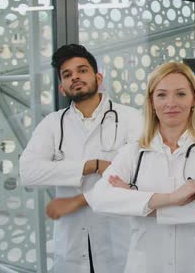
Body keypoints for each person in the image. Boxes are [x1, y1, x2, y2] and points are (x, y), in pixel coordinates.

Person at [85, 62, 195, 273]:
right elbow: (99, 198)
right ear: (151, 101)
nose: (171, 103)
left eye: (180, 94)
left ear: (194, 98)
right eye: (161, 95)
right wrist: (171, 198)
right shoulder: (133, 152)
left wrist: (137, 200)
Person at [19, 44, 142, 273]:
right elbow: (28, 172)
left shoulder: (131, 119)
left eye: (82, 70)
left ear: (98, 77)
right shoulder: (53, 124)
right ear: (62, 88)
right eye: (67, 74)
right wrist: (91, 166)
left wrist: (66, 177)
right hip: (72, 247)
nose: (75, 76)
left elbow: (137, 176)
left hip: (119, 242)